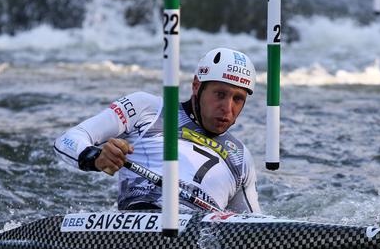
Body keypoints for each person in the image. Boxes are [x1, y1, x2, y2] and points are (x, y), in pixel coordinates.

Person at [54, 47, 261, 213]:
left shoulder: (240, 157)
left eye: (238, 99)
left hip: (199, 240)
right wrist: (95, 158)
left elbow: (253, 227)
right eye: (220, 94)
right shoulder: (147, 108)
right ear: (197, 86)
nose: (227, 108)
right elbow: (68, 139)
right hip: (140, 225)